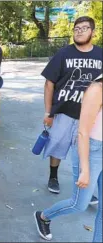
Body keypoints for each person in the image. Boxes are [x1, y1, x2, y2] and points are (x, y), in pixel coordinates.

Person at [40, 16, 102, 206]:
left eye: (84, 28)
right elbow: (49, 83)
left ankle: (84, 190)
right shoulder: (63, 54)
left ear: (92, 31)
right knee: (57, 146)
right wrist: (48, 113)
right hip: (65, 111)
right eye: (76, 28)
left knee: (87, 153)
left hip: (91, 116)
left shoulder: (100, 55)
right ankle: (53, 177)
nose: (79, 31)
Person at [34, 74, 102, 242]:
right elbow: (83, 131)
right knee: (79, 204)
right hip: (92, 149)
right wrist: (85, 169)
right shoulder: (97, 90)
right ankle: (44, 216)